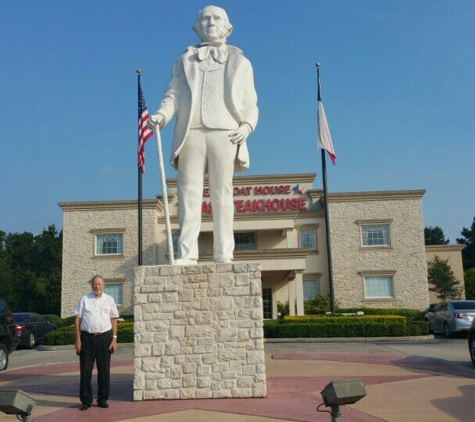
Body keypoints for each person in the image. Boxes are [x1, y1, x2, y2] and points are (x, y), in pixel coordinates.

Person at [147, 5, 258, 265]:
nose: (211, 22)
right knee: (189, 194)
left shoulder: (241, 62)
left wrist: (247, 125)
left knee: (222, 194)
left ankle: (224, 253)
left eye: (217, 18)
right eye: (205, 18)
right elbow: (172, 95)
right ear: (196, 27)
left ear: (228, 27)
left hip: (226, 133)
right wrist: (162, 115)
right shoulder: (183, 61)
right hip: (191, 132)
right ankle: (187, 253)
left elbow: (250, 102)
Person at [73, 275, 119, 411]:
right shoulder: (84, 300)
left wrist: (114, 339)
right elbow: (77, 320)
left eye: (99, 284)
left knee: (104, 370)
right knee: (86, 371)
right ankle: (86, 400)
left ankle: (102, 399)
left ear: (103, 285)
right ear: (91, 285)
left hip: (104, 339)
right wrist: (78, 339)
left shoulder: (109, 300)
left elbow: (114, 320)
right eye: (94, 284)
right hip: (87, 339)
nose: (97, 286)